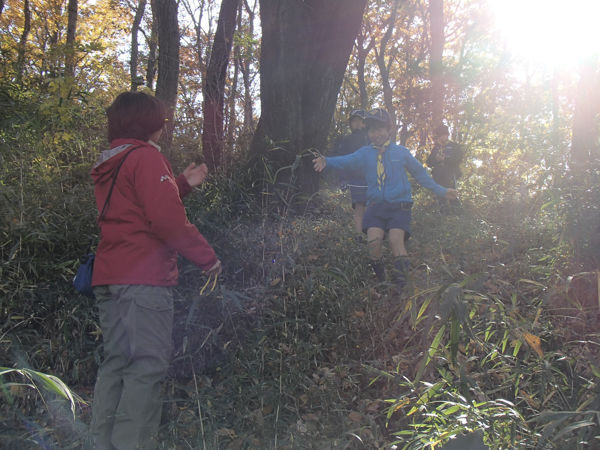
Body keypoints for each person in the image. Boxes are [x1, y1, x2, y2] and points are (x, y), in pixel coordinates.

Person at [89, 91, 222, 450]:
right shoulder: (146, 157)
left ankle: (100, 443)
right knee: (146, 367)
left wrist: (179, 184)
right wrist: (207, 258)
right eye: (161, 119)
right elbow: (165, 220)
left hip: (110, 278)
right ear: (149, 122)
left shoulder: (113, 160)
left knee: (116, 363)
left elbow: (133, 208)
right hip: (143, 281)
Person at [313, 108, 458, 293]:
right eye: (372, 130)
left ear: (389, 130)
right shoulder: (365, 153)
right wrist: (327, 161)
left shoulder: (401, 152)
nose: (376, 134)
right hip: (376, 206)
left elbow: (421, 175)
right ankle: (383, 282)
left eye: (380, 129)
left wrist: (442, 191)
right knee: (373, 244)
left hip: (400, 206)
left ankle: (403, 287)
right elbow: (346, 160)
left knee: (395, 241)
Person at [334, 109, 370, 238]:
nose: (358, 124)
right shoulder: (347, 141)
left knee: (374, 207)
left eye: (360, 121)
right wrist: (343, 179)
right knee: (360, 208)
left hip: (373, 178)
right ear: (350, 124)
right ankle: (358, 237)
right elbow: (341, 161)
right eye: (354, 121)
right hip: (356, 179)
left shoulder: (371, 137)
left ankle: (375, 236)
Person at [426, 124, 464, 214]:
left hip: (450, 174)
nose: (442, 138)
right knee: (440, 196)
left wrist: (445, 160)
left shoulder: (454, 146)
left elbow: (459, 158)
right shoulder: (436, 148)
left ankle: (459, 215)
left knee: (453, 194)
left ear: (447, 135)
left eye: (443, 135)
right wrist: (435, 159)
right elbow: (429, 162)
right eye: (440, 136)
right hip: (438, 176)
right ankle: (444, 215)